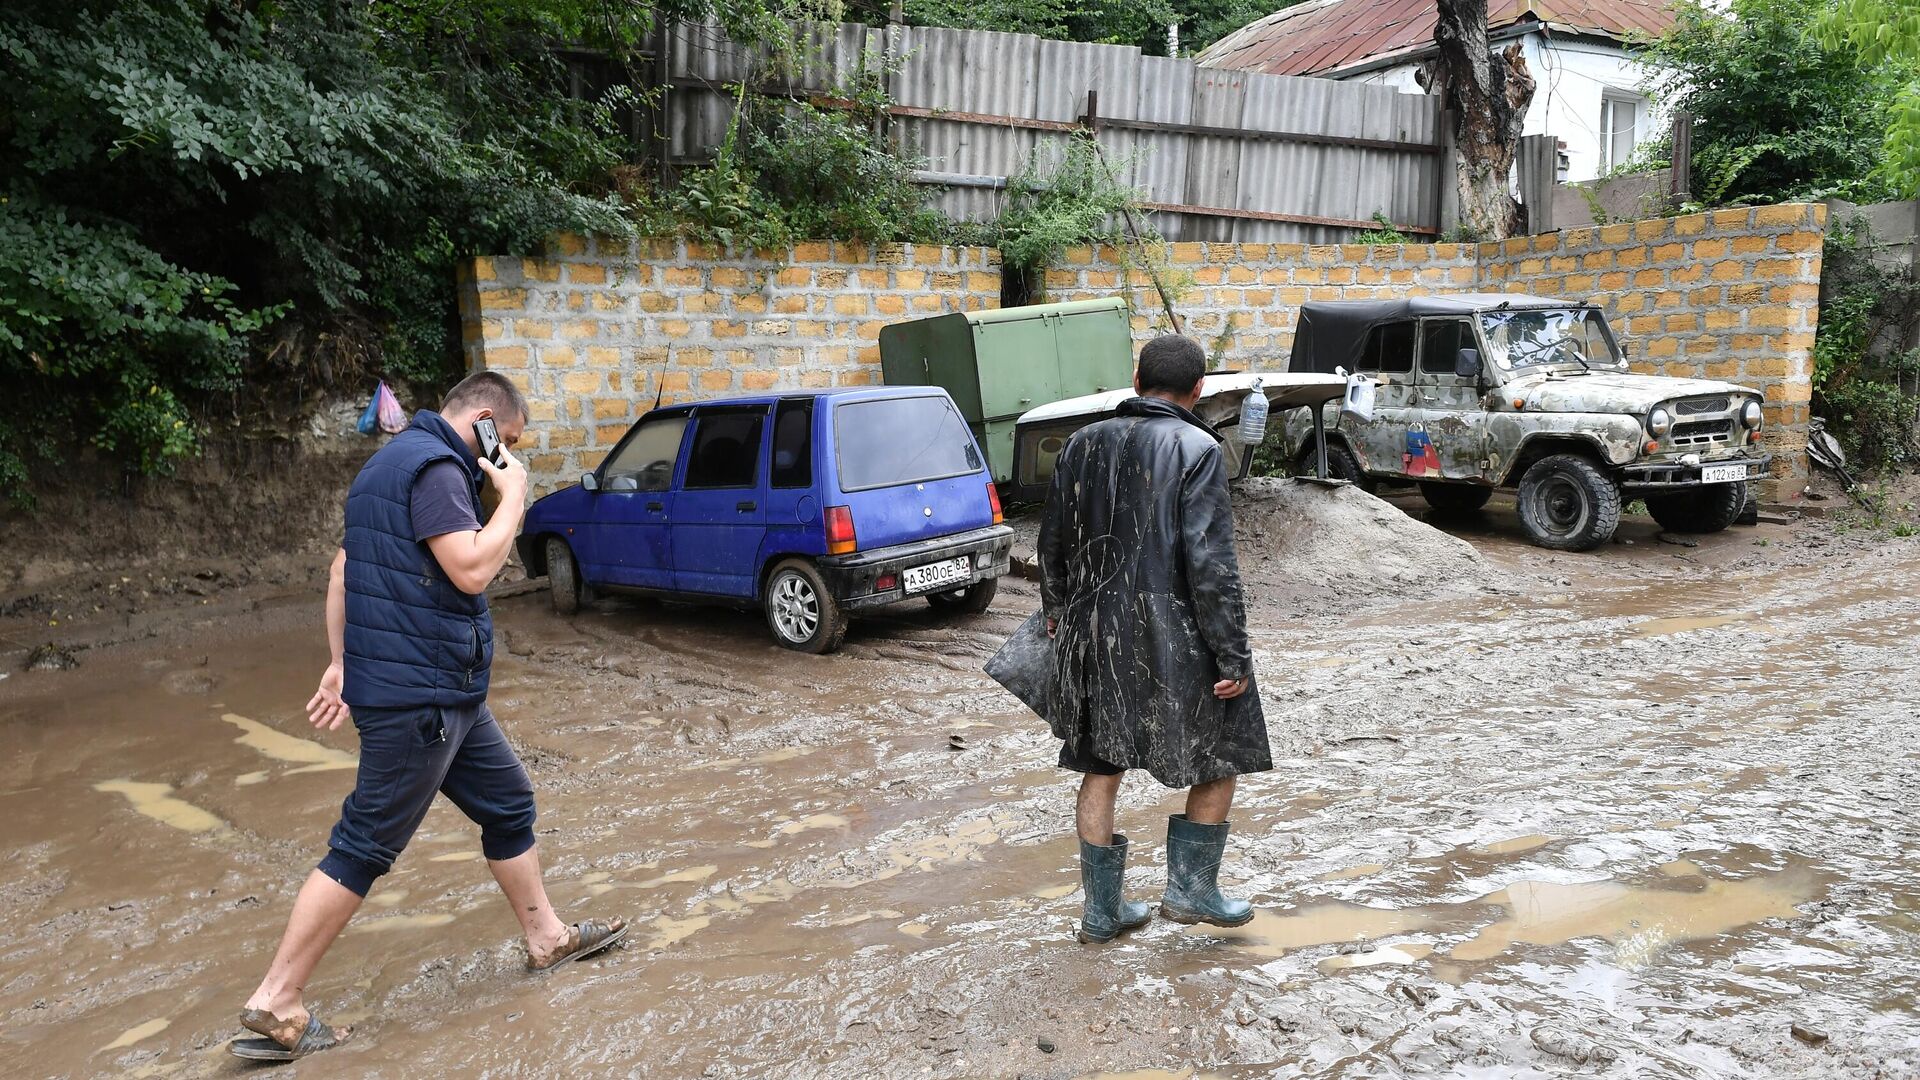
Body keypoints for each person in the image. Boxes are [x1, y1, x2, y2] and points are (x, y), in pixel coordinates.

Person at [232, 372, 626, 1061]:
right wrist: (516, 496)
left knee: (509, 803)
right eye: (502, 440)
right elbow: (472, 570)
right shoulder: (440, 468)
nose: (500, 454)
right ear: (478, 419)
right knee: (363, 844)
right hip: (423, 702)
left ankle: (546, 937)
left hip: (446, 695)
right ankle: (277, 998)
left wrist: (339, 661)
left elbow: (342, 574)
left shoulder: (383, 466)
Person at [1037, 335, 1270, 943]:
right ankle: (1192, 892)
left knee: (1100, 762)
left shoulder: (1080, 444)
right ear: (1198, 392)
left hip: (1091, 628)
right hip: (1172, 632)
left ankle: (1102, 912)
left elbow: (1050, 541)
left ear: (1136, 377)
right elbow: (1211, 565)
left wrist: (1058, 610)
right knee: (1223, 749)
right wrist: (1233, 656)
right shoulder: (1198, 447)